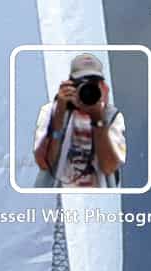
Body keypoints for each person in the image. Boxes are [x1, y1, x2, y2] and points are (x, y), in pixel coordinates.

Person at [32, 52, 126, 189]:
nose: (87, 90)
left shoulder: (112, 117)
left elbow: (109, 167)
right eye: (81, 84)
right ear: (70, 85)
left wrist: (98, 120)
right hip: (59, 196)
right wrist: (59, 114)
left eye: (93, 84)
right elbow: (45, 163)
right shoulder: (50, 112)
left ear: (102, 87)